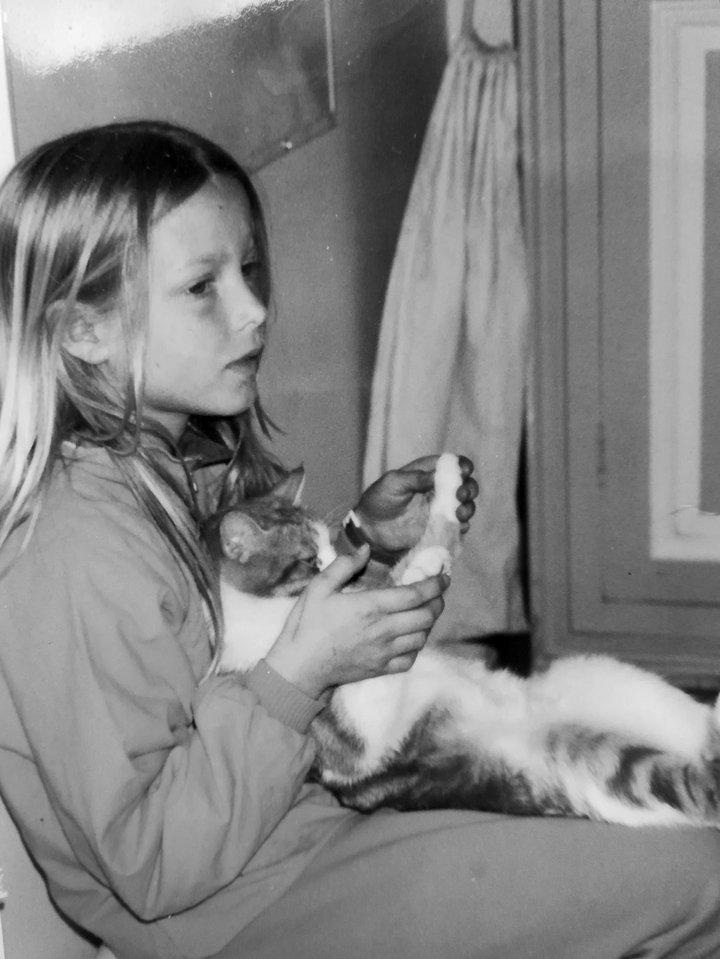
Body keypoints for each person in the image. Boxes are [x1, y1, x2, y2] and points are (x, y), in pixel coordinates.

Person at [0, 121, 718, 959]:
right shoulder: (75, 549)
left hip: (291, 823)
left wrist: (356, 540)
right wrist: (303, 670)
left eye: (249, 269)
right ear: (82, 330)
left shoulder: (159, 456)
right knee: (698, 875)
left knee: (647, 810)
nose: (254, 309)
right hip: (237, 908)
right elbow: (150, 861)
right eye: (203, 286)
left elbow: (218, 628)